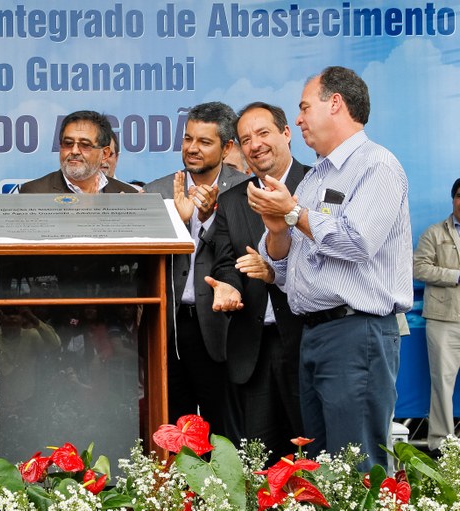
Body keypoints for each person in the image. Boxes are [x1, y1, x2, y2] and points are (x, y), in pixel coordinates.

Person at [250, 66, 412, 469]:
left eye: (305, 108)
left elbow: (357, 241)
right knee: (325, 467)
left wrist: (293, 213)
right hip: (314, 334)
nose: (299, 119)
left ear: (335, 103)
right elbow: (286, 272)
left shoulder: (377, 165)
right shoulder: (313, 179)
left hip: (357, 333)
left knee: (358, 464)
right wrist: (277, 231)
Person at [207, 102, 308, 461]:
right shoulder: (233, 199)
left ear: (285, 133)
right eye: (246, 139)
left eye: (263, 133)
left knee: (311, 454)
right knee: (258, 459)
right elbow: (226, 261)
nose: (255, 145)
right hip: (252, 344)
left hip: (306, 339)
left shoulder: (316, 184)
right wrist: (228, 285)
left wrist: (274, 272)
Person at [144, 102, 248, 432]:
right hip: (169, 327)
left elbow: (244, 254)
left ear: (227, 147)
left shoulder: (245, 190)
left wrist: (207, 219)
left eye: (204, 142)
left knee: (225, 432)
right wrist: (177, 224)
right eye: (188, 139)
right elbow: (142, 263)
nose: (192, 148)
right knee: (173, 431)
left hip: (224, 326)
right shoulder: (156, 191)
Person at [414, 178, 460, 455]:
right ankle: (440, 446)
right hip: (444, 320)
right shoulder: (434, 233)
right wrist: (455, 276)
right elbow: (419, 268)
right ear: (452, 199)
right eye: (459, 195)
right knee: (442, 383)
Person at [20, 111, 137, 194]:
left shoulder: (126, 194)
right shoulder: (35, 192)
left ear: (105, 154)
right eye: (68, 143)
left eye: (85, 145)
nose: (74, 151)